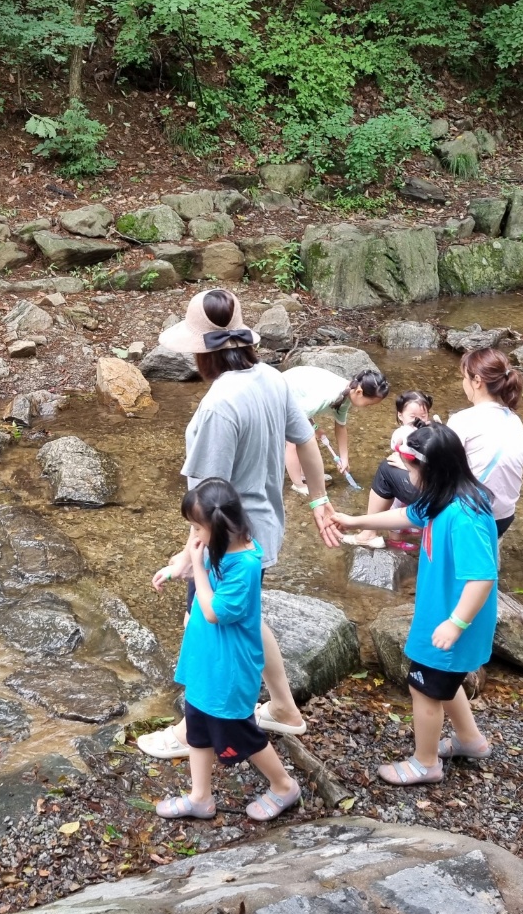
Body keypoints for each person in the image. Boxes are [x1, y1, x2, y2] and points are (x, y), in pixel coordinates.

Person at [135, 289, 340, 761]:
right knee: (247, 617)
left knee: (203, 626)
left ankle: (192, 731)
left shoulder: (217, 407)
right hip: (265, 529)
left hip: (225, 543)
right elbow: (306, 443)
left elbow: (206, 502)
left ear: (202, 351)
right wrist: (318, 500)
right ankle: (286, 708)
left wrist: (189, 557)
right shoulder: (271, 376)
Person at [326, 423, 499, 785]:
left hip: (453, 620)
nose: (407, 475)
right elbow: (405, 516)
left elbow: (482, 577)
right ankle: (470, 740)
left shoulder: (464, 516)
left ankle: (426, 763)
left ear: (431, 470)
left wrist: (456, 623)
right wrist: (356, 520)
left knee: (423, 688)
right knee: (442, 683)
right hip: (440, 615)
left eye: (411, 469)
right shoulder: (444, 498)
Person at [152, 479, 301, 821]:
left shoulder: (246, 566)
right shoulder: (220, 543)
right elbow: (195, 548)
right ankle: (199, 797)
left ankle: (283, 786)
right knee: (198, 727)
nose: (193, 537)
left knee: (240, 733)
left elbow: (213, 611)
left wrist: (197, 571)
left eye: (195, 528)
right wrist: (179, 567)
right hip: (206, 661)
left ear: (218, 528)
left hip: (229, 670)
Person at [446, 347, 523, 540]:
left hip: (473, 516)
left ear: (477, 381)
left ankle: (371, 533)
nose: (463, 383)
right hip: (504, 517)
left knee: (390, 474)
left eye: (465, 377)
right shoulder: (515, 420)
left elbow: (440, 474)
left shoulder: (462, 420)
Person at [341, 389, 434, 550]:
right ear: (400, 416)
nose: (418, 420)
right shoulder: (403, 432)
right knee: (396, 505)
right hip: (409, 475)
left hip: (415, 477)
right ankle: (395, 538)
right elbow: (398, 445)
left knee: (403, 505)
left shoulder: (428, 431)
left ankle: (403, 526)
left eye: (423, 416)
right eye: (413, 417)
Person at [281, 366, 391, 496]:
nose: (368, 407)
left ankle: (303, 474)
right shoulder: (327, 396)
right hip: (279, 393)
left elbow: (340, 426)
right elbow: (297, 417)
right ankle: (297, 484)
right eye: (368, 404)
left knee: (306, 436)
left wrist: (344, 459)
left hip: (297, 398)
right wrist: (311, 428)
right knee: (295, 441)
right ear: (359, 392)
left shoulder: (346, 394)